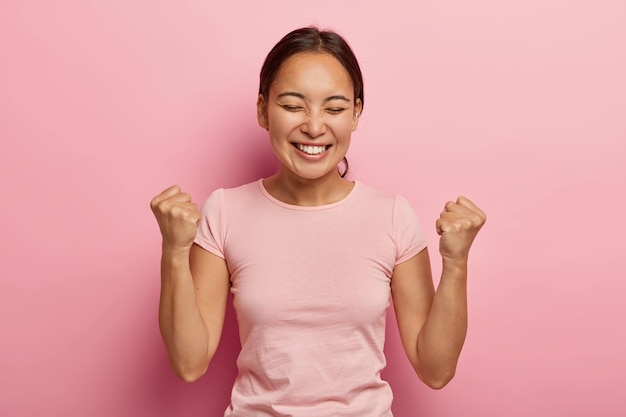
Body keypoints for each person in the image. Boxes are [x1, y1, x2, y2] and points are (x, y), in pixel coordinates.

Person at [150, 26, 486, 417]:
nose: (313, 126)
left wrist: (457, 263)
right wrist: (174, 251)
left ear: (357, 113)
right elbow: (189, 364)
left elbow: (436, 369)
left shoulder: (392, 216)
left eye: (335, 108)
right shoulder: (225, 211)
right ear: (263, 110)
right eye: (293, 106)